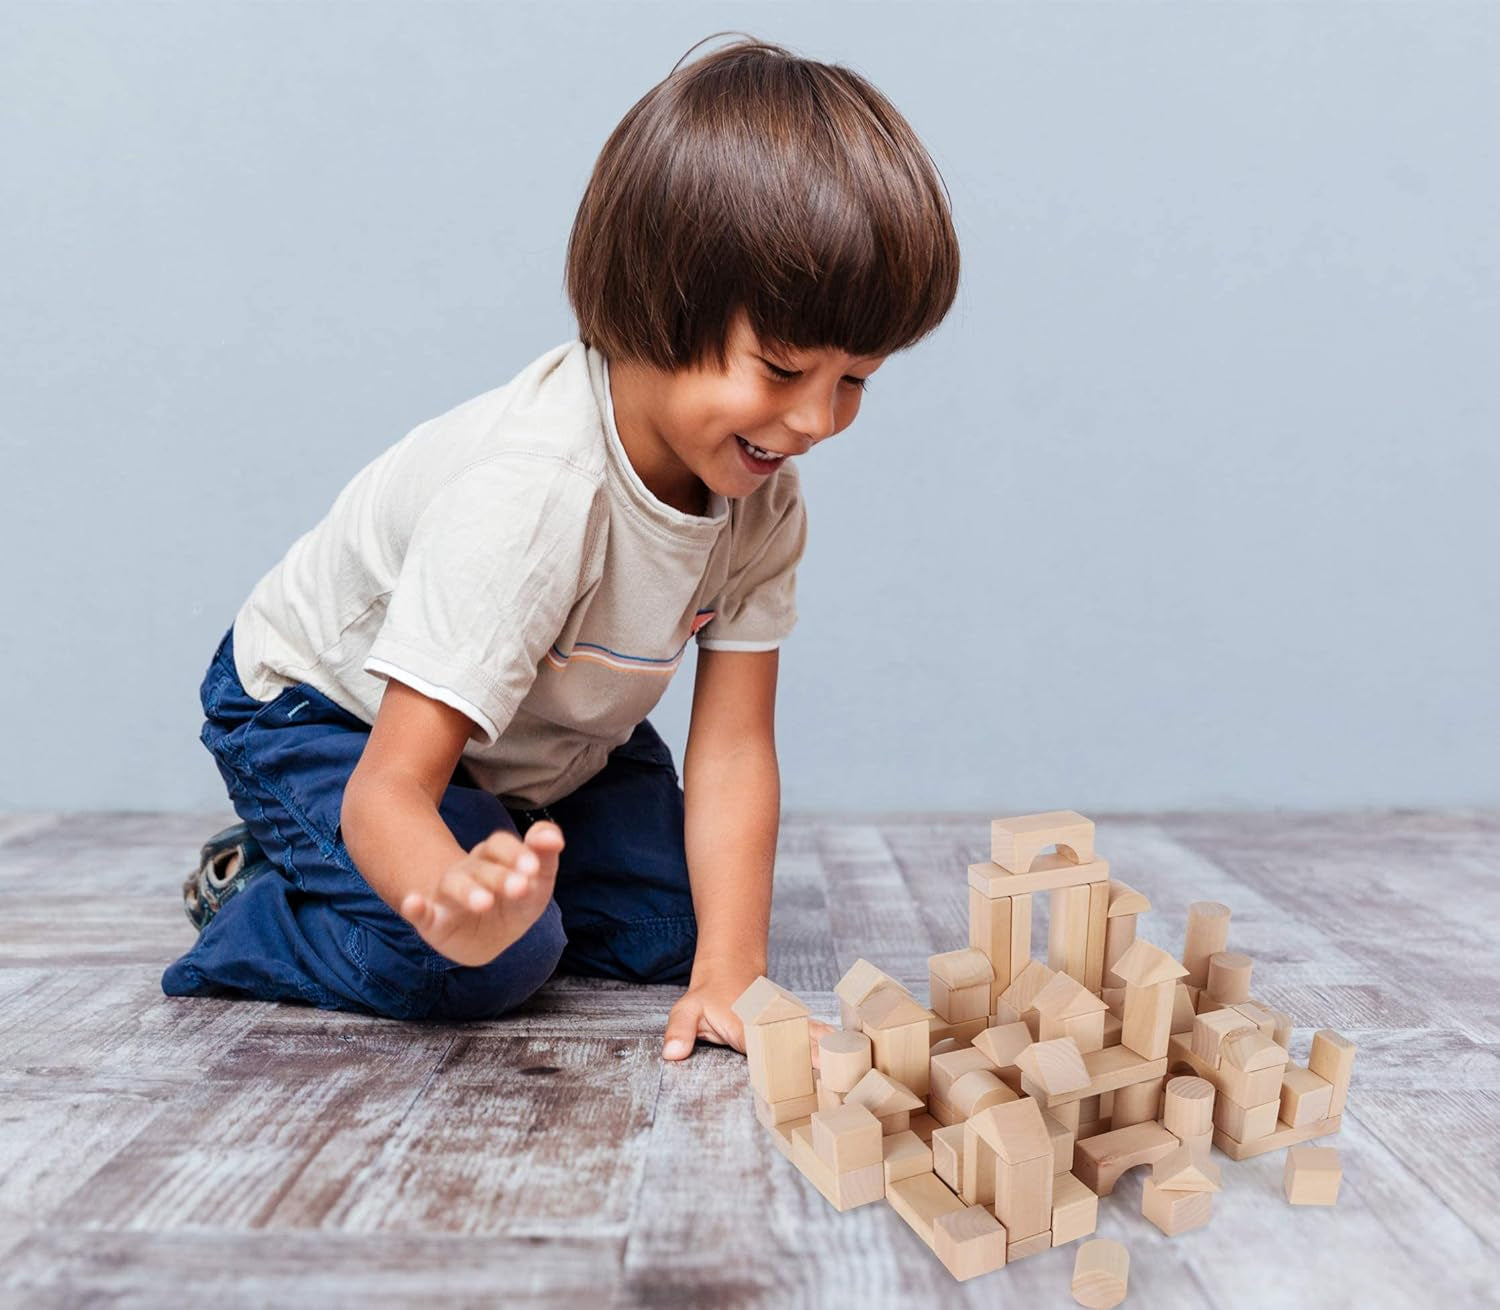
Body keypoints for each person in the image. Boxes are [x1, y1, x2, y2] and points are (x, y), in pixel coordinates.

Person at [161, 33, 960, 1062]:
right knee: (489, 959)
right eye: (782, 368)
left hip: (541, 734)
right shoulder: (533, 498)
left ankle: (486, 867)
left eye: (856, 379)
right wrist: (453, 901)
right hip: (331, 719)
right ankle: (257, 894)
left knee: (687, 929)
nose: (815, 421)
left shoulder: (761, 500)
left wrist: (733, 971)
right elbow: (388, 788)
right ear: (657, 309)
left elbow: (731, 744)